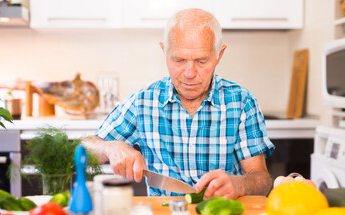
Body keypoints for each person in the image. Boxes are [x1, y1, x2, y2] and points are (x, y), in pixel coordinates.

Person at [82, 8, 274, 199]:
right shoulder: (143, 102)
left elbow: (262, 180)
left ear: (219, 55)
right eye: (179, 60)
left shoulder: (241, 102)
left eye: (201, 61)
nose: (189, 73)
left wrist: (240, 184)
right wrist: (108, 148)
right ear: (164, 51)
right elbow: (83, 148)